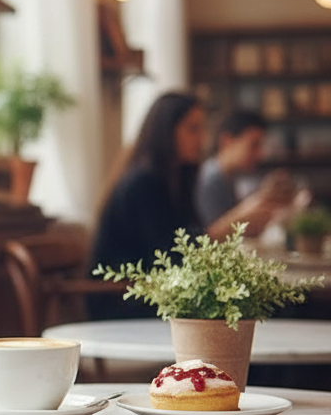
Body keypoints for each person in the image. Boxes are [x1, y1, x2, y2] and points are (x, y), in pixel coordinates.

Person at [88, 92, 284, 320]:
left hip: (160, 291)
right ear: (165, 132)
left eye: (203, 129)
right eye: (193, 129)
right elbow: (170, 257)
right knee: (262, 307)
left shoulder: (178, 180)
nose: (203, 139)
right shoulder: (142, 183)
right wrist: (235, 221)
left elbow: (185, 249)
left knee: (267, 302)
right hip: (125, 298)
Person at [195, 109, 296, 233]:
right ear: (227, 141)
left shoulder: (226, 177)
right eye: (254, 145)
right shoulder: (209, 180)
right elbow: (210, 237)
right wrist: (256, 203)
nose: (260, 155)